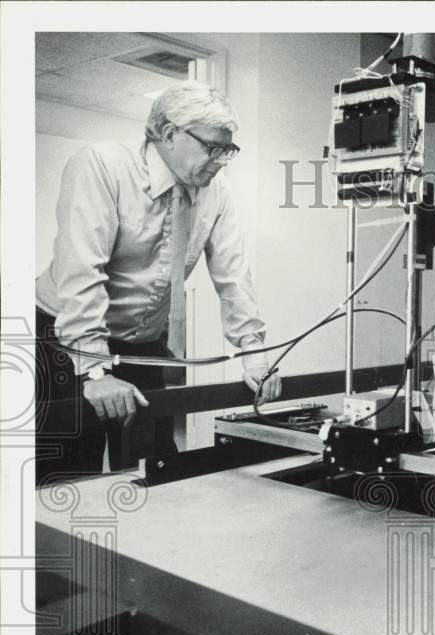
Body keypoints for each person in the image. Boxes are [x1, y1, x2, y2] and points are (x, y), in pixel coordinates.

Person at [35, 81, 281, 483]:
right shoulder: (102, 165)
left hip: (142, 344)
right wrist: (95, 372)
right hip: (64, 337)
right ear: (169, 134)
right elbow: (83, 273)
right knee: (67, 474)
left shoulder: (215, 192)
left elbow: (234, 276)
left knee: (157, 468)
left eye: (227, 150)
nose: (220, 160)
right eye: (212, 147)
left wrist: (254, 351)